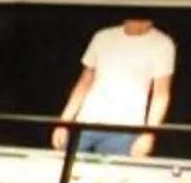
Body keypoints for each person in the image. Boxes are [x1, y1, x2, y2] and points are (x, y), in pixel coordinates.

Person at [52, 16, 175, 157]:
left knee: (114, 175)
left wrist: (148, 135)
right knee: (65, 169)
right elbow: (84, 83)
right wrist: (64, 122)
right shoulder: (103, 37)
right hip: (86, 122)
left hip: (124, 130)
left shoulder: (162, 44)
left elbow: (161, 94)